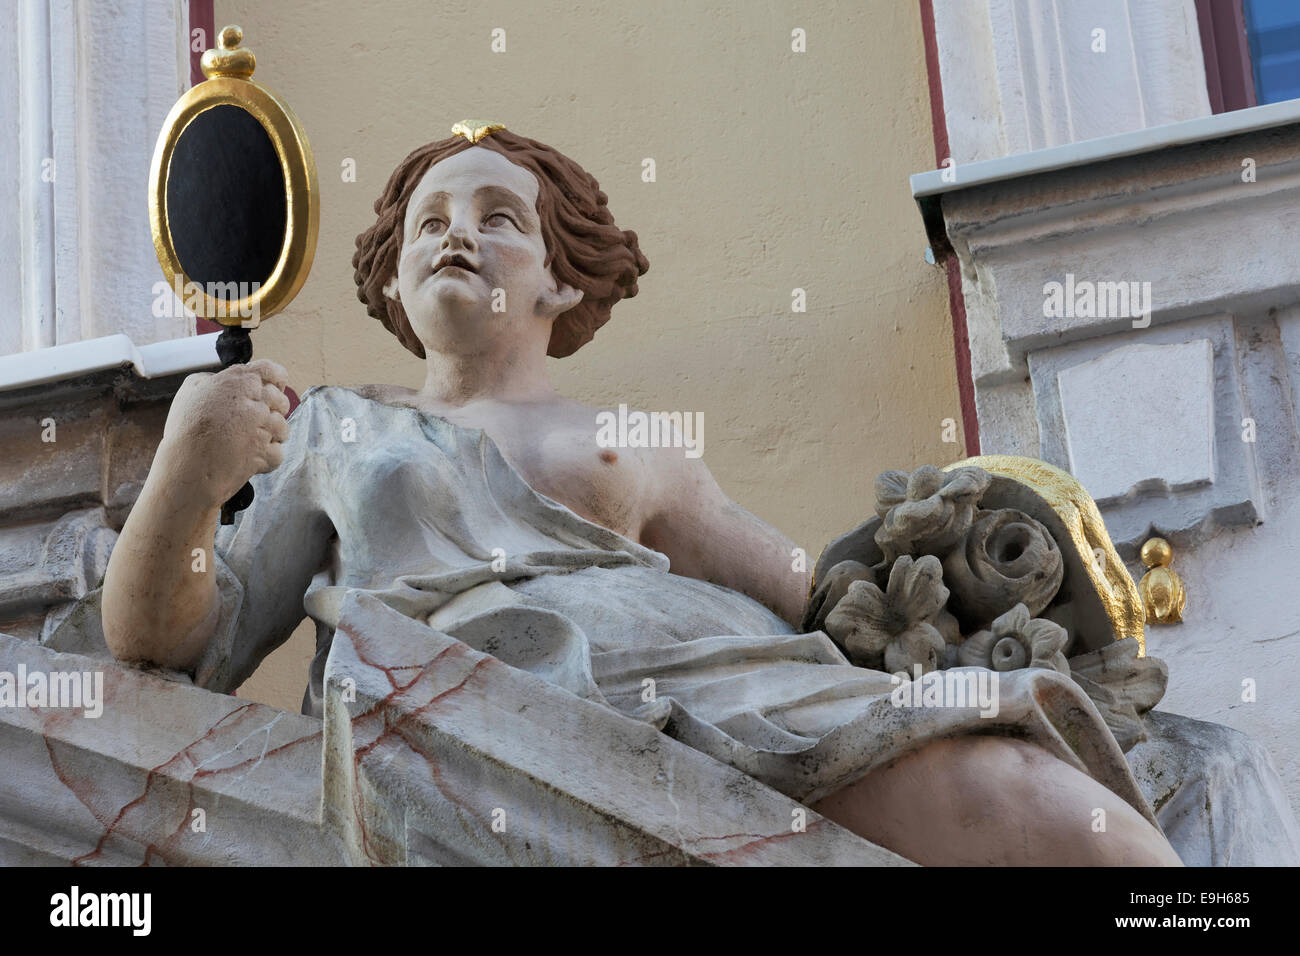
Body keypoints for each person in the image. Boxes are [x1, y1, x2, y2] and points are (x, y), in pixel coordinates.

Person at [99, 123, 1181, 866]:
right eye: (428, 221)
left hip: (720, 671)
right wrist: (189, 476)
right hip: (494, 700)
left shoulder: (632, 441)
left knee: (1064, 820)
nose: (456, 233)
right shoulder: (335, 425)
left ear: (560, 278)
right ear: (389, 279)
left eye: (497, 217)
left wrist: (959, 565)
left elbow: (817, 594)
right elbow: (173, 641)